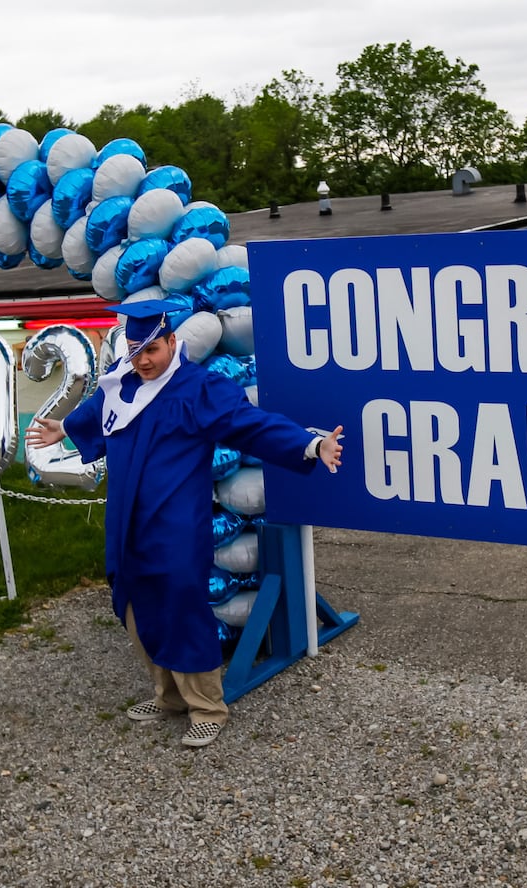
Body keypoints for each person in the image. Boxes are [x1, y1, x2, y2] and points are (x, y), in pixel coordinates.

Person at [25, 300, 344, 750]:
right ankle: (168, 696)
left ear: (173, 342)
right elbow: (99, 408)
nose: (144, 360)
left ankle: (207, 708)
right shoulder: (123, 382)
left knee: (180, 605)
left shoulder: (196, 388)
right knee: (134, 604)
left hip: (173, 521)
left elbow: (249, 424)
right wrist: (66, 429)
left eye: (153, 349)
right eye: (136, 351)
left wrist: (308, 446)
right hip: (125, 519)